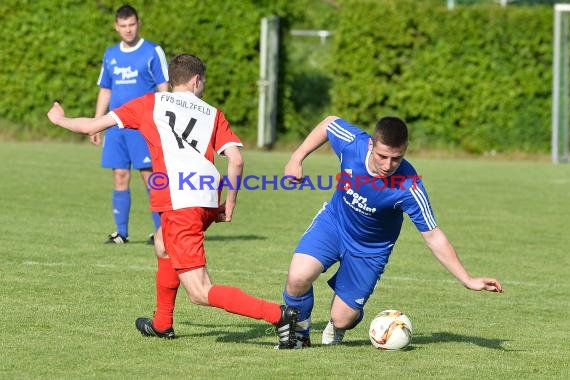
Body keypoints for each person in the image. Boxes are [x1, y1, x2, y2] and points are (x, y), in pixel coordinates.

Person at [47, 53, 299, 349]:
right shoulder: (212, 113)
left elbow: (91, 127)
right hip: (204, 198)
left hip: (181, 203)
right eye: (203, 82)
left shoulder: (149, 103)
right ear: (196, 80)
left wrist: (59, 118)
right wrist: (229, 203)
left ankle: (280, 316)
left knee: (200, 291)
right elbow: (236, 160)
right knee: (163, 244)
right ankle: (162, 323)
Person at [281, 115, 503, 348]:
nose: (388, 165)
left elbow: (434, 236)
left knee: (342, 318)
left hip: (370, 250)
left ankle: (341, 324)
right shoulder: (353, 144)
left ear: (405, 151)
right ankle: (299, 334)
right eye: (382, 156)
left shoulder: (410, 186)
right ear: (370, 145)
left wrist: (467, 279)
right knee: (298, 277)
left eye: (396, 159)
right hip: (334, 224)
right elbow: (329, 122)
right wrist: (297, 157)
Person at [92, 4, 169, 244]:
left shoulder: (152, 51)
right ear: (116, 26)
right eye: (123, 26)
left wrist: (164, 122)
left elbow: (163, 88)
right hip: (116, 128)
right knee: (120, 176)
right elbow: (106, 89)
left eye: (132, 24)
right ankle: (121, 233)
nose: (128, 30)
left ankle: (161, 232)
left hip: (143, 127)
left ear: (138, 23)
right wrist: (97, 122)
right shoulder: (111, 54)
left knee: (150, 177)